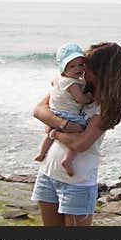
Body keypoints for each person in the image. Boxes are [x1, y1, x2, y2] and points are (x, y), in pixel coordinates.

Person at [31, 41, 121, 226]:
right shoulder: (73, 87)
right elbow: (38, 110)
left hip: (77, 182)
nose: (82, 69)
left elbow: (81, 144)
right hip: (48, 173)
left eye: (87, 65)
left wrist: (53, 131)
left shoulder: (106, 105)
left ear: (101, 71)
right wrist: (62, 124)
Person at [34, 42, 94, 176]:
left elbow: (53, 84)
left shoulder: (59, 79)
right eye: (72, 66)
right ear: (63, 68)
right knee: (79, 130)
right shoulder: (72, 83)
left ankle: (41, 152)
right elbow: (79, 99)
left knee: (49, 134)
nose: (78, 68)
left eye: (80, 64)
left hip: (55, 110)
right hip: (68, 115)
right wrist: (89, 98)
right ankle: (67, 160)